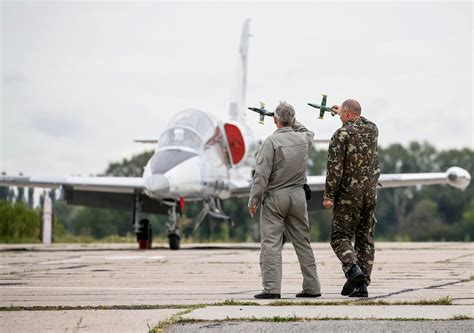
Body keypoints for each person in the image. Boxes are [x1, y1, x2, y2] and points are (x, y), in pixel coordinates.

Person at [248, 101, 321, 299]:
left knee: (271, 243)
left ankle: (272, 289)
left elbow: (261, 176)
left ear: (275, 120)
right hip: (298, 197)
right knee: (303, 242)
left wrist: (254, 200)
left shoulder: (270, 142)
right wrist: (292, 122)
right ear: (294, 120)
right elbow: (308, 131)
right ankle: (312, 287)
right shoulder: (303, 139)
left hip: (275, 198)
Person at [323, 99, 380, 298]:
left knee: (340, 237)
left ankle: (353, 270)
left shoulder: (341, 135)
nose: (339, 117)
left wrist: (329, 195)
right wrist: (346, 113)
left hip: (348, 195)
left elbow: (334, 168)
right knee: (365, 240)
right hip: (370, 193)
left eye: (341, 115)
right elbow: (361, 122)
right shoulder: (372, 130)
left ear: (346, 114)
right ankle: (362, 286)